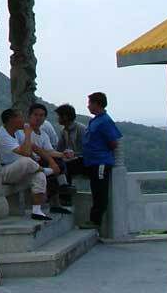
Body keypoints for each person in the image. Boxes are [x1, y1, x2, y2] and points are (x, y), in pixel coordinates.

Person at [75, 92, 122, 229]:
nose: (88, 106)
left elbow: (113, 143)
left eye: (90, 103)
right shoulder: (94, 120)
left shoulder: (105, 121)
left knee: (99, 191)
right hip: (90, 161)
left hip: (100, 162)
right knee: (94, 187)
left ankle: (95, 220)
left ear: (97, 104)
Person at [0, 108, 52, 221]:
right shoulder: (3, 135)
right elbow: (26, 153)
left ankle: (37, 211)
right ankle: (44, 170)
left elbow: (32, 148)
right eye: (20, 117)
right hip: (4, 172)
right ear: (12, 120)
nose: (23, 120)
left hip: (18, 169)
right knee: (25, 161)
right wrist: (27, 134)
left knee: (39, 176)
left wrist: (52, 161)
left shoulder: (17, 132)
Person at [25, 103, 71, 214]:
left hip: (43, 161)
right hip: (29, 161)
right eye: (35, 115)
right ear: (29, 116)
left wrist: (63, 154)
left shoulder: (43, 134)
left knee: (60, 162)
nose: (38, 118)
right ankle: (61, 188)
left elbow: (49, 151)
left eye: (41, 115)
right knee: (55, 167)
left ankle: (56, 198)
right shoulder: (24, 131)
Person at [54, 103, 85, 191]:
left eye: (59, 116)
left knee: (64, 166)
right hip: (70, 159)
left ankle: (66, 194)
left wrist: (74, 154)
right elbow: (59, 149)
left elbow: (86, 149)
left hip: (82, 160)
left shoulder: (81, 129)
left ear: (65, 117)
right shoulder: (64, 131)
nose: (58, 119)